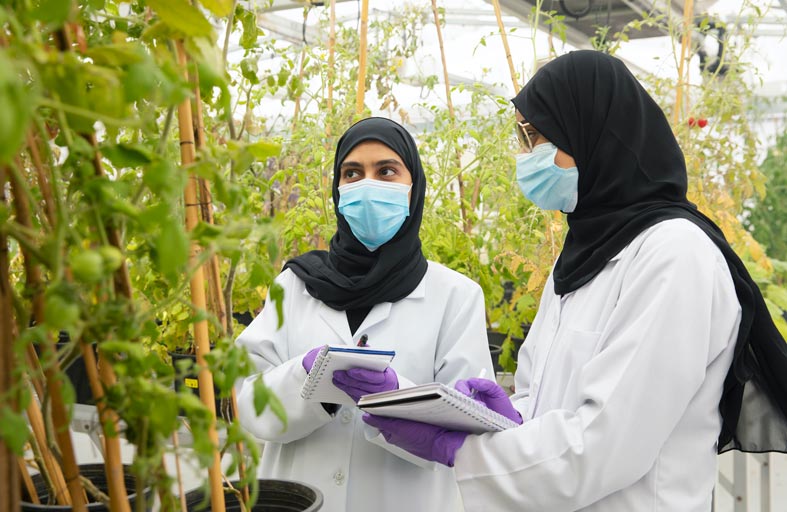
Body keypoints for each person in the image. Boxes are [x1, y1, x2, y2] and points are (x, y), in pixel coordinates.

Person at [363, 50, 787, 511]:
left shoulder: (675, 255)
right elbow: (542, 401)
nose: (526, 155)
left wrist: (459, 450)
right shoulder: (584, 256)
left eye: (536, 136)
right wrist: (498, 415)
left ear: (592, 131)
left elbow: (606, 444)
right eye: (522, 137)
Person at [235, 117, 493, 512]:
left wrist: (395, 396)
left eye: (386, 171)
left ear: (414, 187)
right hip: (297, 499)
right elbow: (245, 400)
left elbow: (468, 431)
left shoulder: (455, 297)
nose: (367, 186)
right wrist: (304, 380)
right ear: (337, 188)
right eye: (352, 173)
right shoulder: (294, 286)